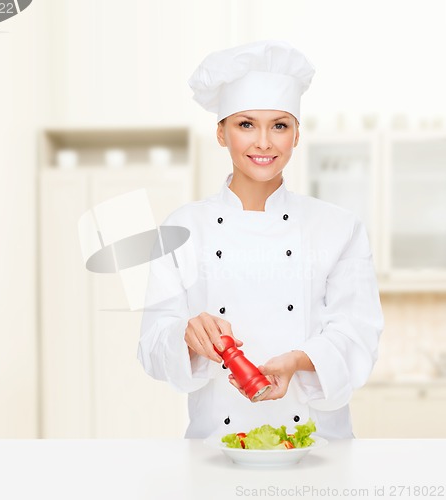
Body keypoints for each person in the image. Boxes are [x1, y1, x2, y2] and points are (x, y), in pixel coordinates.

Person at [137, 40, 384, 439]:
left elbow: (358, 334)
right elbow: (150, 349)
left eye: (280, 126)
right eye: (246, 124)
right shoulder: (181, 229)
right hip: (216, 446)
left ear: (297, 134)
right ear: (221, 133)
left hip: (316, 446)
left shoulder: (339, 227)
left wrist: (297, 360)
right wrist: (186, 337)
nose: (264, 142)